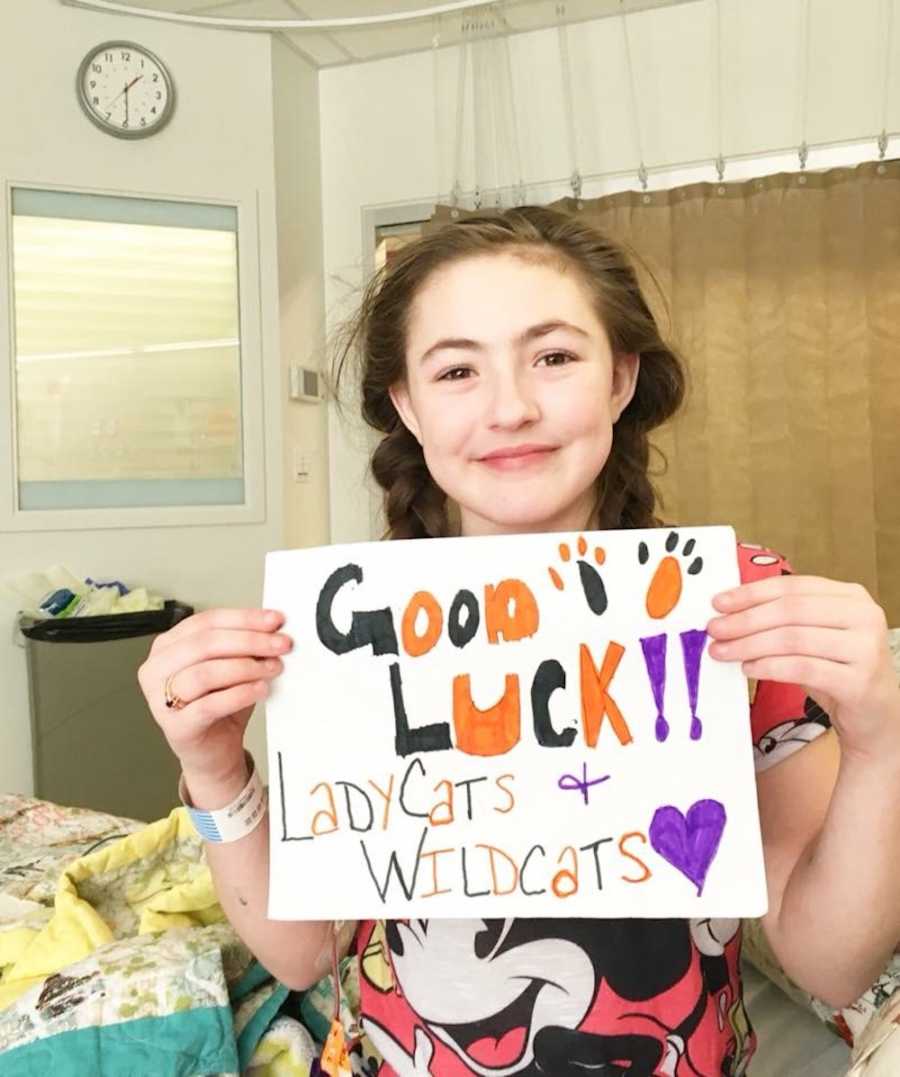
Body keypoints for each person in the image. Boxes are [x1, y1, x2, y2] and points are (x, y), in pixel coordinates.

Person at [139, 206, 900, 1076]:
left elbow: (831, 963)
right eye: (457, 369)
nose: (511, 407)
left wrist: (881, 737)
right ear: (407, 406)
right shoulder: (349, 635)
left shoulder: (729, 606)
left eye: (554, 356)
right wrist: (213, 768)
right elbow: (310, 953)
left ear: (619, 380)